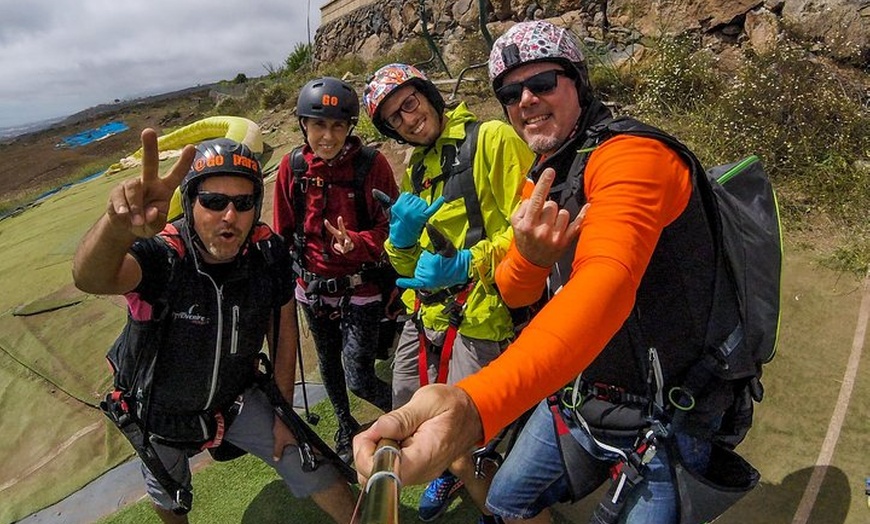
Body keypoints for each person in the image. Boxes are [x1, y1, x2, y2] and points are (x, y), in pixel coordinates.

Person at [355, 20, 729, 524]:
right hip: (583, 388)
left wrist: (472, 407)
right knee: (508, 503)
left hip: (666, 404)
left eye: (544, 83)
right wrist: (528, 257)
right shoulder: (545, 171)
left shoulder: (632, 157)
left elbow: (606, 285)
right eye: (511, 92)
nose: (525, 99)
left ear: (578, 80)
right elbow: (515, 290)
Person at [72, 130, 356, 524]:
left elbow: (284, 326)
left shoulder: (265, 252)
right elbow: (91, 278)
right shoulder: (164, 256)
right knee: (171, 496)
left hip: (236, 398)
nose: (229, 216)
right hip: (158, 409)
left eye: (243, 203)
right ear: (189, 204)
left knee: (306, 459)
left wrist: (283, 410)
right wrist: (116, 228)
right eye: (213, 201)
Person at [362, 63, 535, 523]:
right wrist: (398, 241)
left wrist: (466, 263)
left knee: (464, 437)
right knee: (406, 406)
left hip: (480, 314)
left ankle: (500, 507)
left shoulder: (491, 139)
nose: (409, 120)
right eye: (395, 119)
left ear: (428, 95)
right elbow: (410, 268)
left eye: (410, 104)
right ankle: (453, 472)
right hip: (424, 318)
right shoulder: (416, 169)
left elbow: (529, 230)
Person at [273, 77, 398, 464]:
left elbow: (392, 227)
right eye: (318, 125)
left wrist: (356, 242)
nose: (327, 137)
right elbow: (283, 231)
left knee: (358, 374)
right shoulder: (292, 167)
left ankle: (407, 411)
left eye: (338, 126)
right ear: (303, 126)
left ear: (349, 129)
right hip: (309, 286)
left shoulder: (371, 165)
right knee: (328, 361)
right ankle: (346, 425)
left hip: (360, 284)